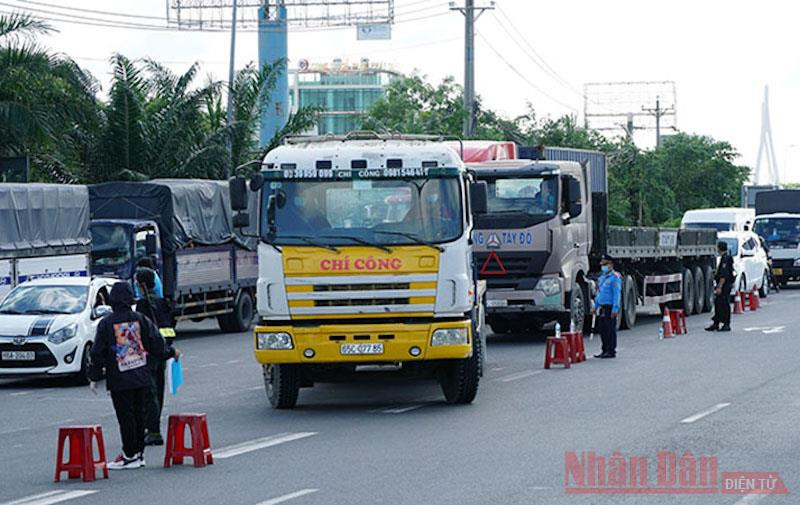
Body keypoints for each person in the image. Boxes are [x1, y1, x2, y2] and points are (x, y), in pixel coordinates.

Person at [88, 282, 177, 470]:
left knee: (125, 417)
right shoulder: (140, 319)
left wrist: (94, 376)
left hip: (120, 379)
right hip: (141, 376)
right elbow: (156, 343)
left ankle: (129, 454)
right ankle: (139, 454)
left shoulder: (107, 323)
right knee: (139, 415)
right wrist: (171, 352)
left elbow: (98, 352)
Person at [135, 267, 177, 447]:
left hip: (149, 354)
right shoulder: (162, 302)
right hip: (163, 352)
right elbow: (169, 328)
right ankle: (153, 427)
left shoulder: (143, 305)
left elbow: (142, 331)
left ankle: (153, 431)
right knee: (157, 391)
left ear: (141, 284)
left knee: (149, 393)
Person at [592, 254, 621, 359]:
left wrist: (615, 308)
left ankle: (611, 350)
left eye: (605, 264)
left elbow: (616, 294)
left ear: (611, 265)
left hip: (610, 307)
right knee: (603, 329)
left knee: (610, 329)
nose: (603, 266)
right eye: (602, 264)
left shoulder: (615, 278)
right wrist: (595, 306)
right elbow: (599, 294)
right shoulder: (602, 278)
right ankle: (604, 350)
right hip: (602, 307)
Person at [706, 241, 734, 332]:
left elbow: (724, 275)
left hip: (725, 286)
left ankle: (726, 324)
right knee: (718, 303)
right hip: (723, 285)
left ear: (719, 248)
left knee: (724, 304)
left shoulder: (726, 259)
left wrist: (719, 287)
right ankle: (716, 323)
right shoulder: (724, 258)